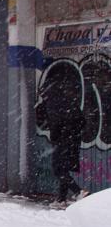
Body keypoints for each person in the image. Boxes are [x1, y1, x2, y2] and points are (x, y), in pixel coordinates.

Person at [36, 62, 89, 205]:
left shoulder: (52, 103)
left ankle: (78, 192)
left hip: (62, 141)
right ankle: (61, 199)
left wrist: (59, 134)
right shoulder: (68, 101)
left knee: (58, 169)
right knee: (64, 169)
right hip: (72, 141)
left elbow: (47, 121)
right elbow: (82, 121)